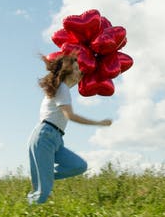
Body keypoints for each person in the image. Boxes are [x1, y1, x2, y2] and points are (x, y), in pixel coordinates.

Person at [27, 54, 112, 204]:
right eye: (77, 69)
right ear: (68, 71)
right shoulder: (62, 88)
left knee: (79, 166)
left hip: (55, 139)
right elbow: (70, 116)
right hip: (45, 136)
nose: (80, 72)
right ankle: (30, 213)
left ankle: (42, 174)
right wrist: (98, 122)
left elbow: (78, 79)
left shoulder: (62, 88)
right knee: (43, 193)